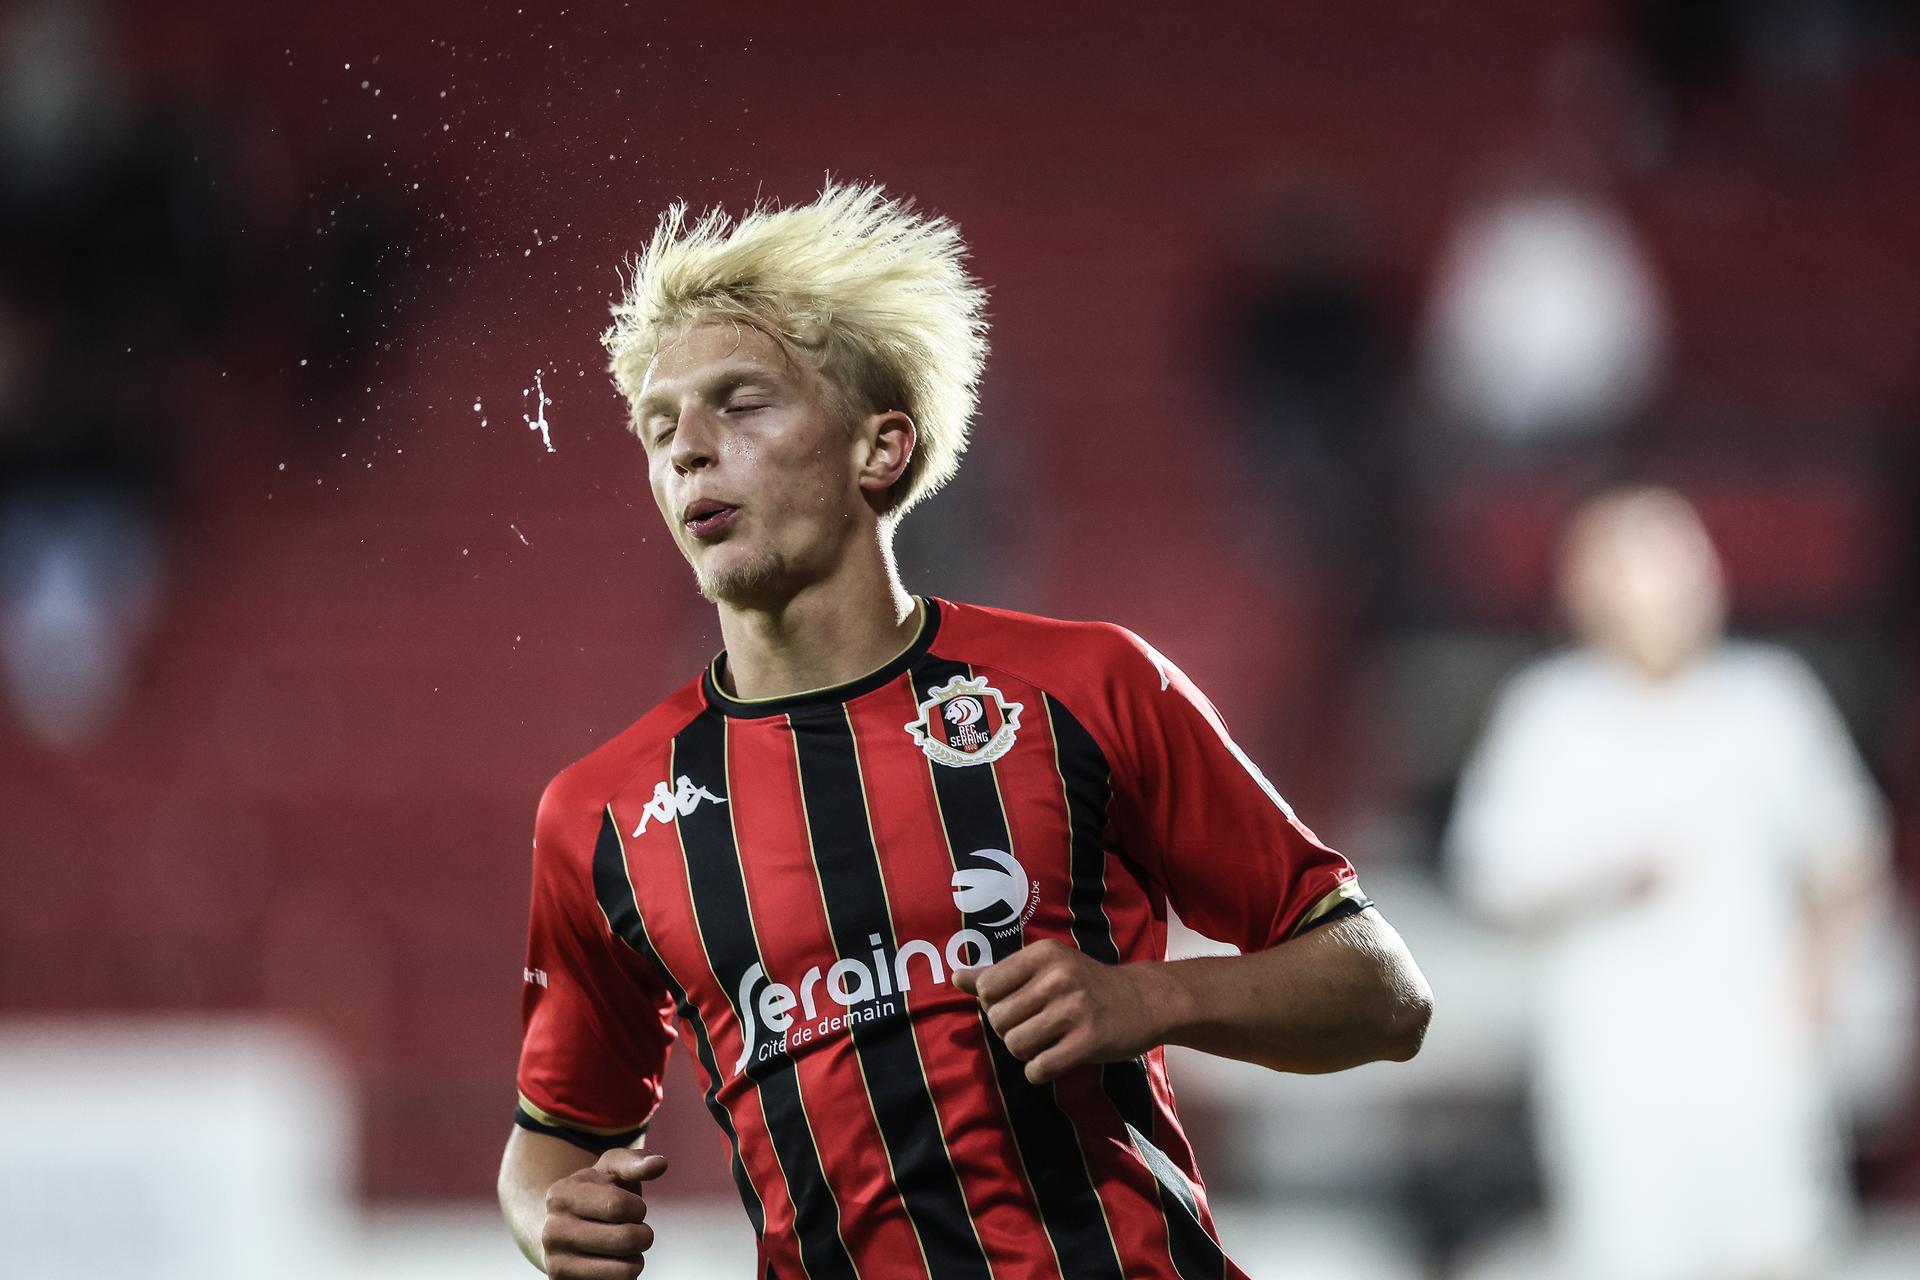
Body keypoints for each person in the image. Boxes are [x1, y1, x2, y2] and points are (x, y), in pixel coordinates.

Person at [495, 184, 1434, 1280]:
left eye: (740, 405)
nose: (688, 451)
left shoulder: (1088, 687)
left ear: (880, 449)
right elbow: (553, 1134)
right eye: (661, 429)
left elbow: (1382, 990)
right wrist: (547, 1216)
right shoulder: (604, 812)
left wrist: (1151, 998)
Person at [1445, 486, 1890, 1280]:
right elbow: (1489, 875)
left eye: (1684, 568)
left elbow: (1847, 851)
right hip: (1617, 1061)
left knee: (1777, 1250)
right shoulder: (1549, 716)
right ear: (1590, 592)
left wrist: (1819, 977)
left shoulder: (1770, 700)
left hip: (1760, 1053)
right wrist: (1601, 880)